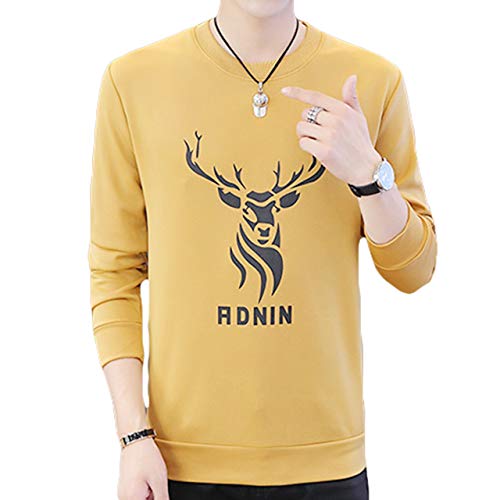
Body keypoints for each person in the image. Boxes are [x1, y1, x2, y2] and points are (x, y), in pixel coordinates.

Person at [88, 0, 437, 498]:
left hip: (326, 465)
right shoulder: (132, 82)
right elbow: (114, 272)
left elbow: (415, 271)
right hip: (177, 463)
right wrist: (133, 436)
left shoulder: (373, 82)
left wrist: (368, 174)